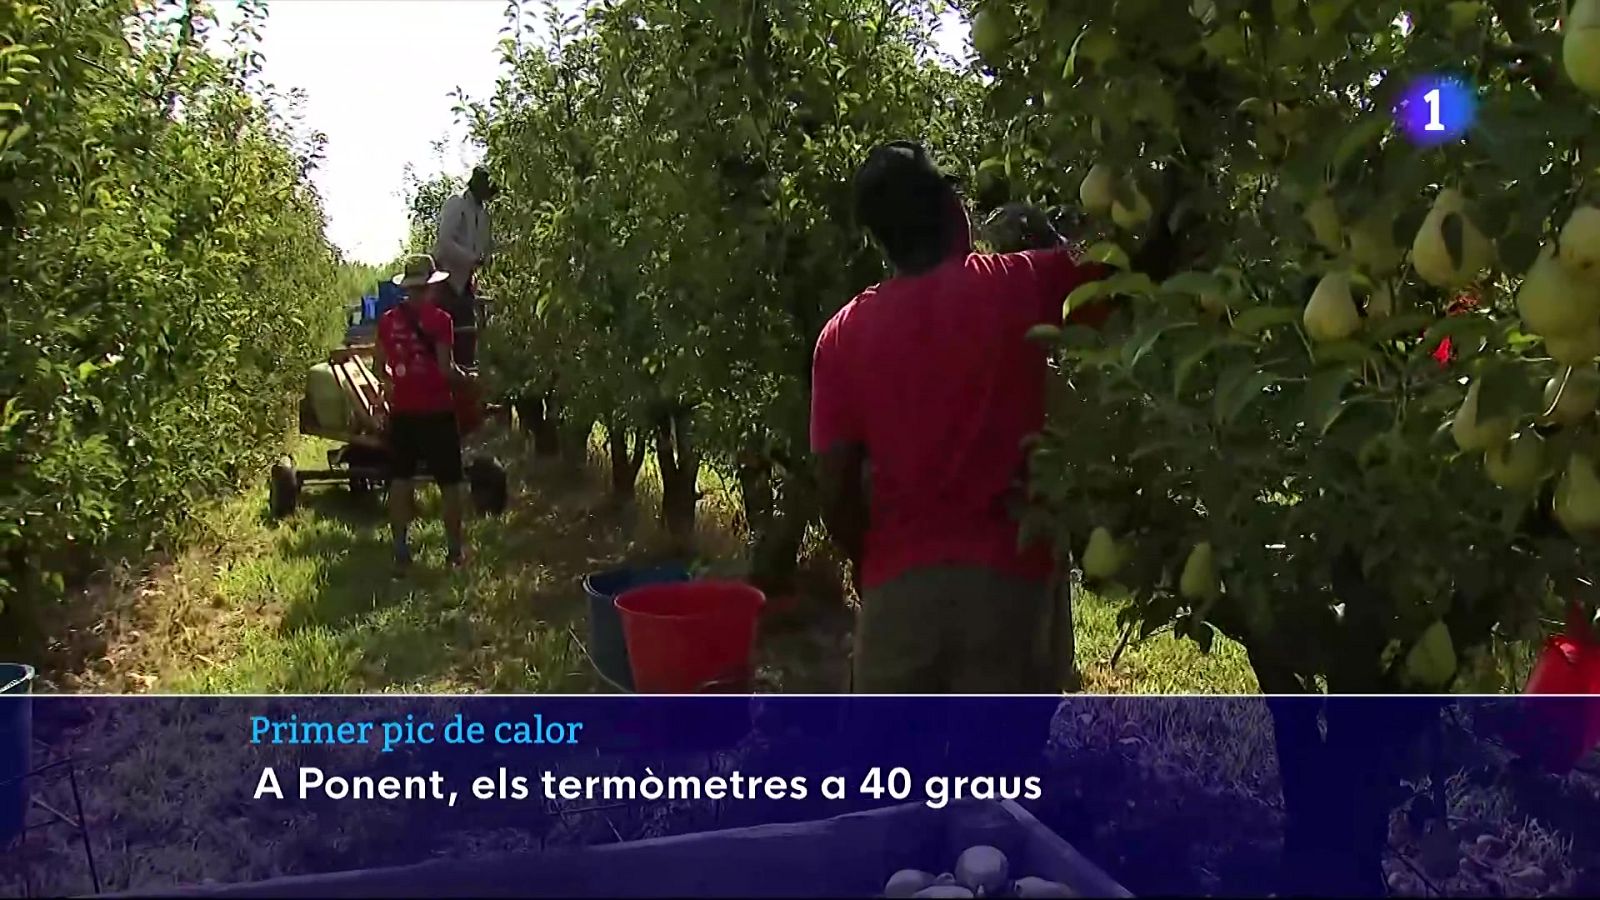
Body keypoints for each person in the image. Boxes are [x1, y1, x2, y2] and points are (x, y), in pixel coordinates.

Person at [810, 141, 1124, 694]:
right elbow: (1120, 269)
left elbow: (834, 488)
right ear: (952, 210)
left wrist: (875, 563)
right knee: (997, 749)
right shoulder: (1019, 284)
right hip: (1009, 590)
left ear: (879, 239)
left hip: (899, 594)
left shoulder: (842, 335)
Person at [373, 254, 472, 572]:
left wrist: (395, 383)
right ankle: (454, 552)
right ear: (431, 286)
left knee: (401, 481)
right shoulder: (441, 320)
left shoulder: (387, 320)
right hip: (437, 411)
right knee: (450, 483)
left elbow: (379, 368)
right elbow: (445, 369)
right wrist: (466, 377)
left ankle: (401, 551)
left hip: (403, 412)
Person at [432, 166, 497, 367]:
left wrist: (485, 258)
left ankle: (464, 376)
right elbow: (445, 241)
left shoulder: (483, 214)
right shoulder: (457, 204)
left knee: (466, 334)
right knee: (442, 334)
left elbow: (484, 245)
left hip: (466, 280)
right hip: (444, 278)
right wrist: (472, 258)